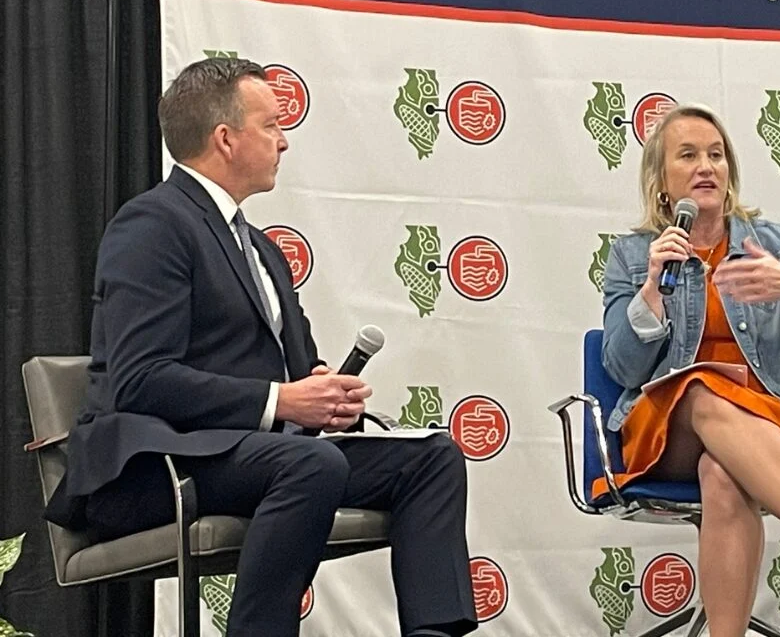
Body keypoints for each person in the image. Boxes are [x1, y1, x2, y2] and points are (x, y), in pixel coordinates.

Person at [44, 58, 476, 637]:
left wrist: (325, 396)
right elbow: (140, 380)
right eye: (271, 125)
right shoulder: (152, 224)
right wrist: (281, 401)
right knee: (311, 464)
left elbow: (296, 375)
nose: (285, 141)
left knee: (432, 457)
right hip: (156, 466)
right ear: (226, 138)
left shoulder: (262, 249)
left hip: (259, 457)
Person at [598, 104, 780, 637]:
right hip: (670, 431)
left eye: (716, 154)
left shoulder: (773, 241)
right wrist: (651, 289)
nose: (706, 166)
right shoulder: (634, 255)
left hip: (774, 425)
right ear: (661, 180)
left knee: (723, 476)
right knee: (700, 387)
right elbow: (619, 365)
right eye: (688, 156)